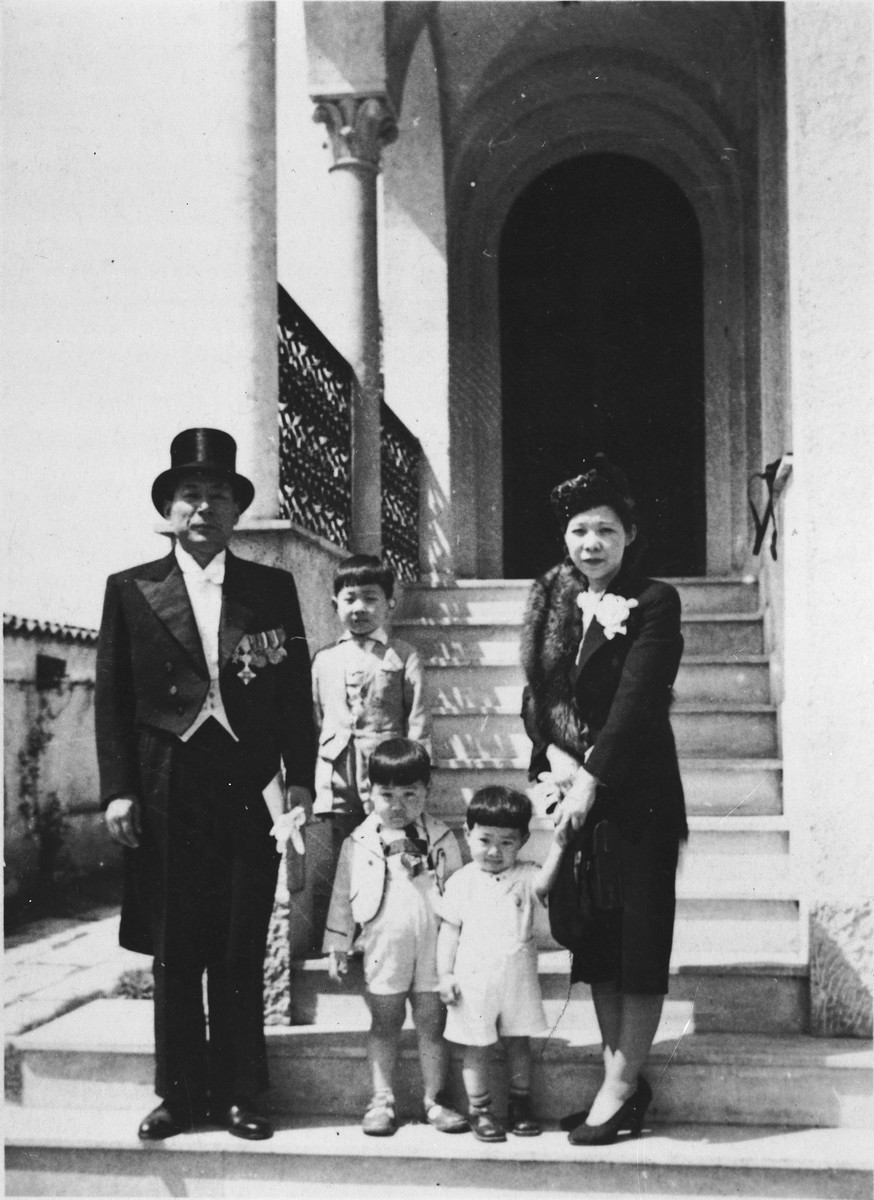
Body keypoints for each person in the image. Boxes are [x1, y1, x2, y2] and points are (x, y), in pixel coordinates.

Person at [95, 428, 315, 1142]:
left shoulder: (270, 589)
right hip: (165, 787)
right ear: (170, 507)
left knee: (239, 941)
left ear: (235, 511)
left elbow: (291, 700)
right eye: (191, 495)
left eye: (218, 495)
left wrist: (303, 782)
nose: (204, 508)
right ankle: (178, 1094)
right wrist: (119, 789)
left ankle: (241, 1093)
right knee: (175, 945)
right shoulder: (131, 590)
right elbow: (113, 699)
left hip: (248, 786)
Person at [520, 455, 687, 1146]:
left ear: (630, 535)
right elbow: (539, 699)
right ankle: (619, 1076)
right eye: (581, 530)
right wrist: (555, 763)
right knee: (596, 942)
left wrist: (593, 778)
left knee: (638, 942)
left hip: (636, 798)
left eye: (607, 532)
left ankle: (619, 1091)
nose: (592, 544)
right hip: (576, 795)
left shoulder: (654, 601)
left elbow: (636, 703)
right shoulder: (554, 601)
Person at [322, 738, 468, 1137]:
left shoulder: (442, 838)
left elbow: (459, 891)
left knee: (430, 1024)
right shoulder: (359, 843)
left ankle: (435, 1099)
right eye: (386, 794)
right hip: (383, 946)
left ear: (427, 792)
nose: (397, 804)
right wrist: (337, 943)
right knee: (385, 1023)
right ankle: (381, 1099)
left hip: (434, 946)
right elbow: (340, 896)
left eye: (410, 794)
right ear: (370, 792)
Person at [307, 555, 430, 951]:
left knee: (389, 844)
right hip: (337, 771)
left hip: (386, 770)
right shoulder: (324, 660)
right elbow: (315, 718)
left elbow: (419, 716)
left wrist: (416, 770)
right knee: (341, 850)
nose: (359, 608)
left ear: (389, 604)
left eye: (371, 599)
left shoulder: (402, 655)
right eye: (350, 598)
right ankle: (339, 938)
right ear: (335, 604)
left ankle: (387, 930)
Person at [436, 786, 568, 1143]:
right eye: (485, 840)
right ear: (467, 834)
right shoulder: (461, 881)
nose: (494, 851)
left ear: (523, 841)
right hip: (473, 981)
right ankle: (480, 1111)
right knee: (476, 1046)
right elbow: (449, 931)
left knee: (518, 1042)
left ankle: (520, 1104)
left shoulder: (526, 875)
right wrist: (445, 975)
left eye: (507, 842)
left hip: (517, 978)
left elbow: (546, 883)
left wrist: (560, 843)